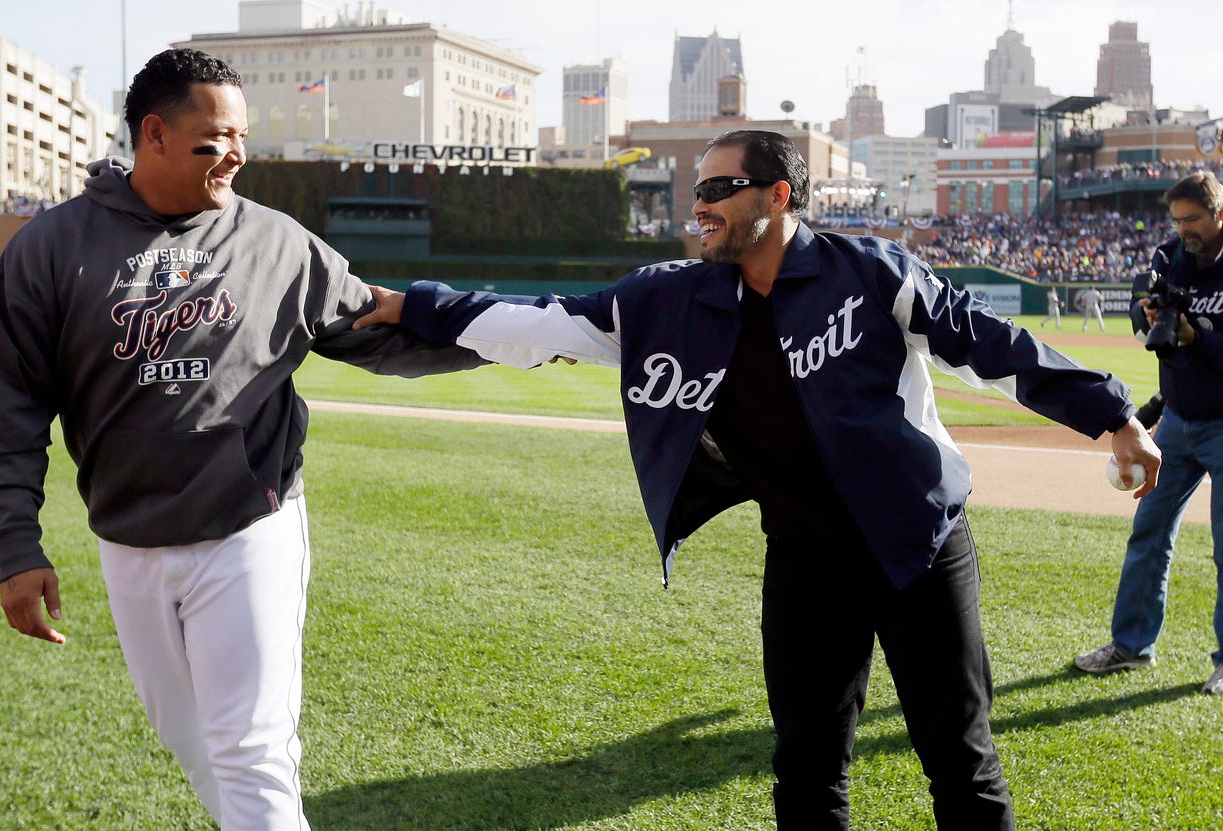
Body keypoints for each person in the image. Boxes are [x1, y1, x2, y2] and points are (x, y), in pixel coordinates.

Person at [360, 130, 1161, 830]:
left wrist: (1113, 415)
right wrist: (413, 304)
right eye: (695, 191)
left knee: (960, 760)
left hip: (919, 543)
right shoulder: (669, 299)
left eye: (717, 189)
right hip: (806, 559)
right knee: (808, 769)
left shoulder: (872, 272)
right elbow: (538, 321)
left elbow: (994, 345)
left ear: (777, 195)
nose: (698, 206)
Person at [0, 49, 481, 831]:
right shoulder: (48, 248)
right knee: (191, 738)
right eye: (215, 138)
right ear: (154, 135)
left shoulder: (276, 241)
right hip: (128, 536)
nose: (235, 154)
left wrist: (517, 333)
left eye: (241, 137)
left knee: (250, 745)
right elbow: (7, 413)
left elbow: (379, 326)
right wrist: (16, 546)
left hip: (250, 523)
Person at [1074, 171, 1223, 694]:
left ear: (1219, 212)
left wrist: (1197, 337)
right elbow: (1148, 330)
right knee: (1149, 533)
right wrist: (1149, 317)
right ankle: (1132, 647)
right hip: (1179, 422)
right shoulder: (1169, 258)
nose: (1185, 229)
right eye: (1178, 219)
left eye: (1194, 219)